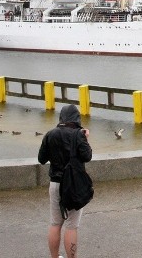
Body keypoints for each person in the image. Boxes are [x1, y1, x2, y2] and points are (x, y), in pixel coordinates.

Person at [38, 104, 93, 258]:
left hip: (55, 184)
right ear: (76, 118)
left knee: (55, 223)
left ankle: (54, 257)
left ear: (61, 117)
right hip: (73, 185)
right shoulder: (78, 134)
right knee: (71, 226)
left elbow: (41, 159)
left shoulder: (50, 134)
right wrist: (85, 139)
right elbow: (87, 156)